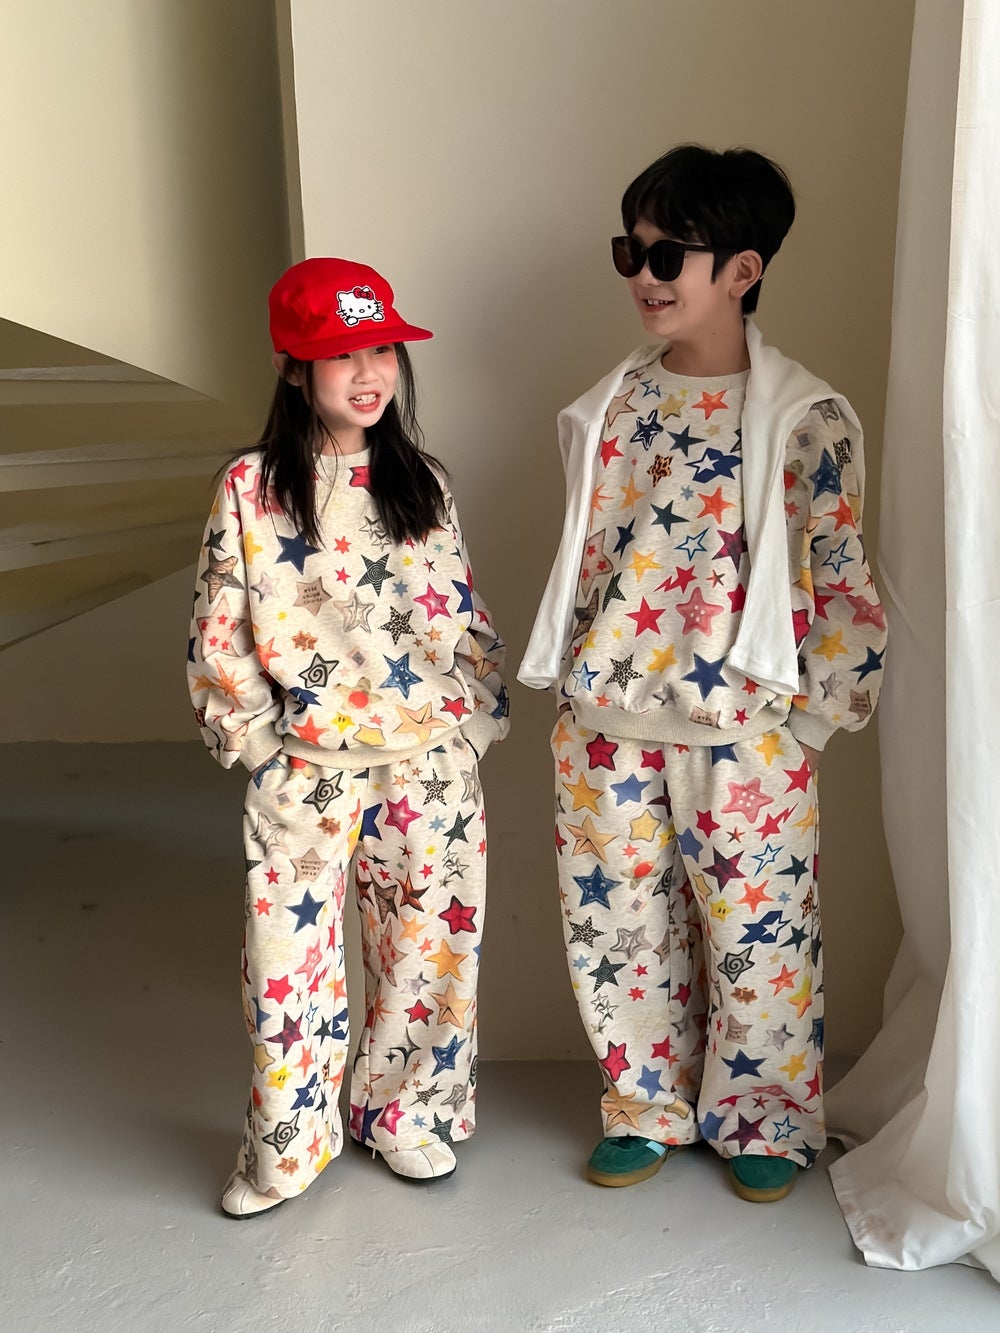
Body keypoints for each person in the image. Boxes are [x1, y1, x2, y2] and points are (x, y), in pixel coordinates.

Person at [519, 146, 886, 1204]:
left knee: (760, 940)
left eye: (667, 253)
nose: (642, 274)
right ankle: (644, 1104)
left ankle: (764, 1114)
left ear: (741, 269)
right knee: (619, 932)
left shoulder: (806, 418)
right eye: (629, 251)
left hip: (747, 734)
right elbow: (594, 564)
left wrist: (814, 722)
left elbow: (842, 580)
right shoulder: (610, 407)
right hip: (608, 724)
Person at [188, 257, 509, 1217]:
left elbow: (460, 615)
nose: (370, 373)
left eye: (383, 350)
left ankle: (404, 1114)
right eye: (342, 354)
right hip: (307, 768)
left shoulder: (423, 481)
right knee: (289, 969)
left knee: (428, 954)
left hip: (428, 764)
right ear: (294, 368)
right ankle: (287, 1150)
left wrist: (472, 721)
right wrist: (256, 743)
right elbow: (220, 627)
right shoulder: (250, 488)